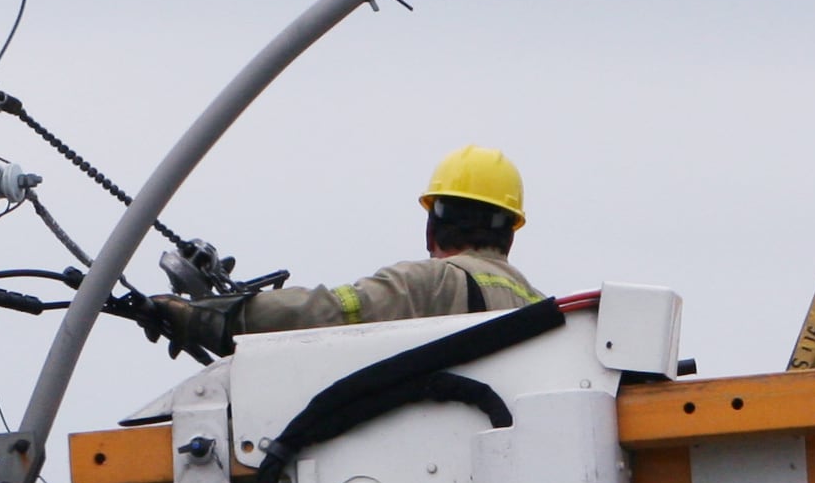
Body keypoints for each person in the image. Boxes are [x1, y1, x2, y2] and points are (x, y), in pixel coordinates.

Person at [148, 145, 537, 355]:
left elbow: (333, 311)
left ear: (433, 224)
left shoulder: (432, 284)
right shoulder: (540, 308)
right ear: (510, 233)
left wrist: (214, 317)